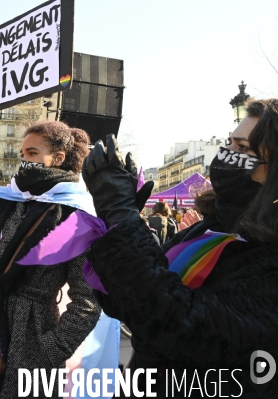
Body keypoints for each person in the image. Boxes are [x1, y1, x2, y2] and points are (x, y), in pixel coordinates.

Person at [81, 99, 278, 397]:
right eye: (228, 144)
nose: (225, 155)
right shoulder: (209, 227)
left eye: (242, 149)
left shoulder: (268, 251)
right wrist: (120, 227)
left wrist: (123, 221)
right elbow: (131, 305)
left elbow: (180, 326)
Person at [0, 106, 101, 399]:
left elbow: (87, 300)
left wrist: (48, 349)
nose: (24, 162)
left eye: (33, 153)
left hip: (32, 333)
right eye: (23, 154)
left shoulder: (77, 218)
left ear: (58, 158)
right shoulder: (7, 201)